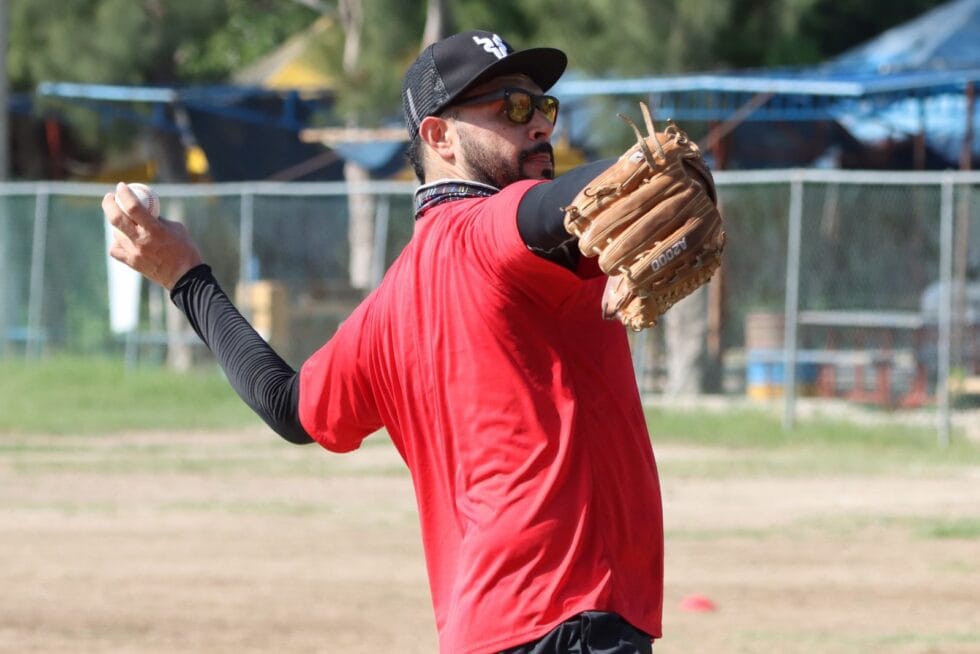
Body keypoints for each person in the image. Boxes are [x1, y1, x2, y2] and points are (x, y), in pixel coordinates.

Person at [104, 30, 664, 654]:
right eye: (510, 107)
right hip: (567, 620)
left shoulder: (390, 303)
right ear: (439, 136)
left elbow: (289, 406)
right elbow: (554, 209)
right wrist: (647, 172)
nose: (537, 125)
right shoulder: (494, 225)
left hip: (487, 629)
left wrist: (186, 279)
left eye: (544, 108)